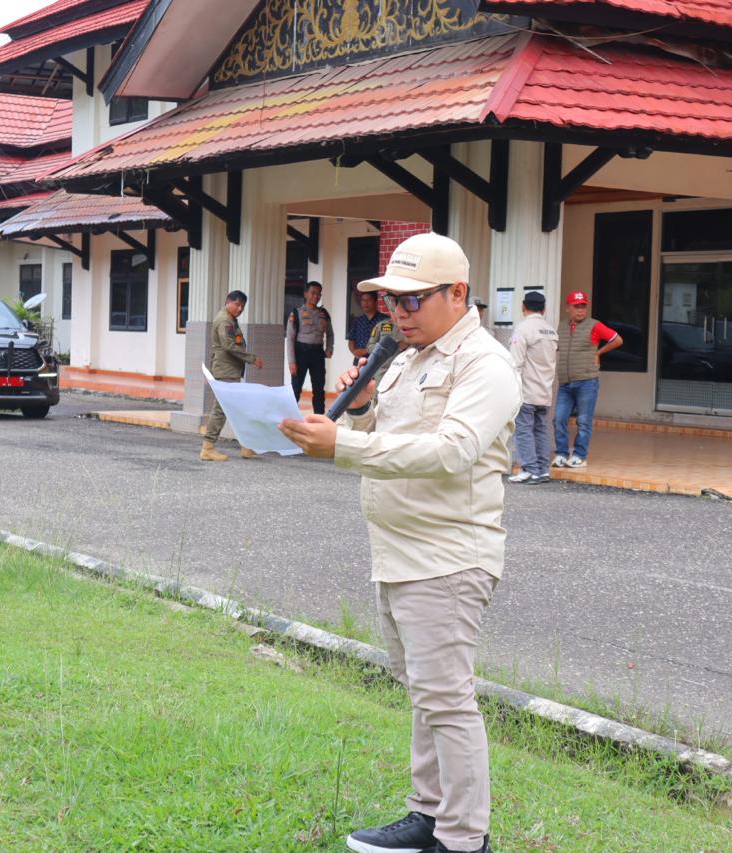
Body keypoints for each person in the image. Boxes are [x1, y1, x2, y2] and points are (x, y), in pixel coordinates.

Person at [279, 232, 519, 853]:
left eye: (414, 301)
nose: (401, 314)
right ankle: (428, 813)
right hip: (396, 549)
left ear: (457, 293)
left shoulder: (485, 364)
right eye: (393, 302)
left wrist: (345, 446)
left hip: (447, 556)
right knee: (423, 693)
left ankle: (465, 840)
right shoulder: (408, 356)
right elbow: (380, 427)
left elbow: (451, 451)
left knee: (446, 698)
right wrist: (352, 408)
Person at [553, 291, 623, 469]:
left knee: (583, 421)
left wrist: (598, 353)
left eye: (583, 306)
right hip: (565, 383)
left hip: (587, 381)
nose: (580, 310)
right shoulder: (561, 327)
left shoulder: (595, 325)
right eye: (576, 306)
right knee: (559, 419)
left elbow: (617, 340)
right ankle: (561, 454)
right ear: (568, 308)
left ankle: (579, 455)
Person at [201, 290, 263, 462]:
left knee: (237, 407)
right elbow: (228, 346)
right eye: (237, 304)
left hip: (229, 370)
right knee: (221, 410)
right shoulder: (224, 320)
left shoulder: (230, 319)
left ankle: (246, 446)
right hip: (226, 371)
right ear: (228, 302)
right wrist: (252, 359)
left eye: (242, 306)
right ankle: (208, 447)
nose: (240, 308)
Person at [507, 290, 558, 485]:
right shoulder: (551, 331)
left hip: (526, 390)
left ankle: (529, 469)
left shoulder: (523, 329)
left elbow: (515, 362)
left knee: (523, 430)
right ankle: (543, 470)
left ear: (523, 307)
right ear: (544, 309)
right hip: (544, 390)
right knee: (540, 430)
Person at [286, 280, 334, 415]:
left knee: (319, 389)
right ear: (306, 294)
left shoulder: (324, 314)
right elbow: (289, 339)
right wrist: (291, 362)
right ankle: (290, 417)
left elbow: (330, 334)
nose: (316, 296)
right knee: (295, 388)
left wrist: (329, 349)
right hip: (301, 352)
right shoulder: (296, 313)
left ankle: (319, 419)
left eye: (319, 294)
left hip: (318, 354)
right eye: (313, 293)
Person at [347, 290, 389, 364]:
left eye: (369, 300)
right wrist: (354, 352)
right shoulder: (357, 320)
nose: (365, 303)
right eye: (363, 300)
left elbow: (386, 341)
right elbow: (351, 340)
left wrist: (365, 351)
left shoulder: (385, 320)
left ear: (376, 302)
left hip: (378, 360)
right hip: (359, 360)